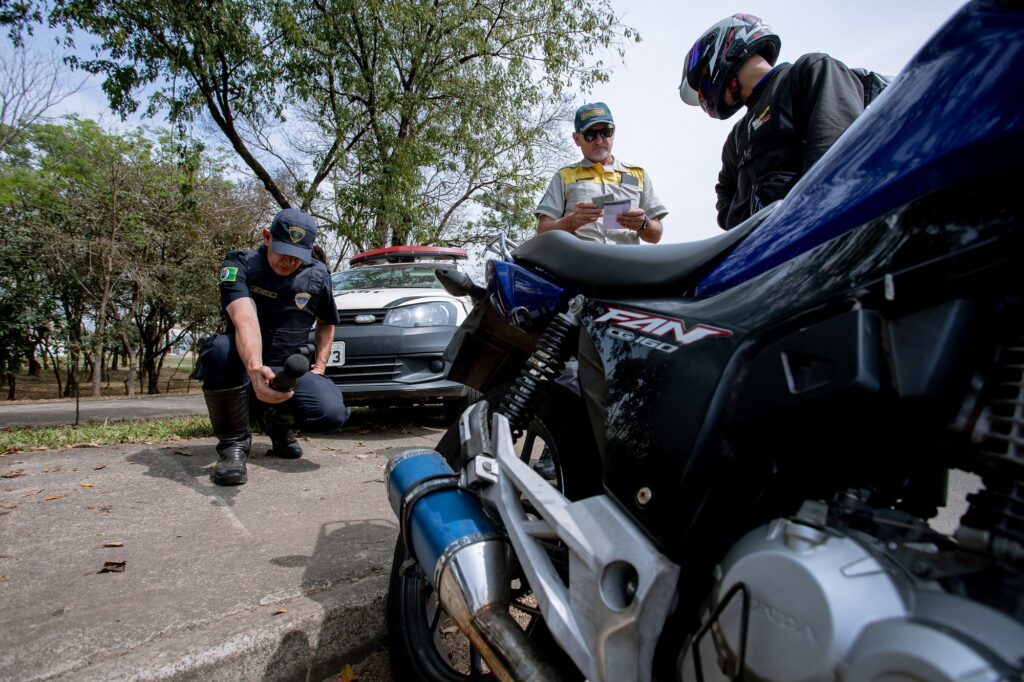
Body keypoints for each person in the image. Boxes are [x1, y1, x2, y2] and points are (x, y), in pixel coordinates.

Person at [197, 208, 350, 486]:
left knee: (332, 413)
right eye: (283, 250)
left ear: (312, 248)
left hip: (286, 366)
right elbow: (244, 316)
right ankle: (233, 446)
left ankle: (279, 426)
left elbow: (327, 322)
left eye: (298, 254)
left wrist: (319, 366)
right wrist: (255, 368)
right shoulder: (241, 263)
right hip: (242, 363)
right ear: (267, 237)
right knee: (219, 349)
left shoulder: (318, 274)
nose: (289, 260)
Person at [679, 14, 865, 230]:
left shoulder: (810, 71)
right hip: (759, 254)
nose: (704, 96)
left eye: (702, 81)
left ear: (726, 46)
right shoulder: (736, 139)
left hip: (817, 237)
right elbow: (724, 203)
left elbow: (837, 161)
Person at [536, 102, 668, 244]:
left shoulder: (639, 175)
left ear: (614, 132)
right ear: (576, 139)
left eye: (605, 132)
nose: (599, 140)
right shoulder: (564, 177)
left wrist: (644, 224)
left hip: (627, 264)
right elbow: (542, 231)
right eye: (590, 135)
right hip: (580, 263)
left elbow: (656, 236)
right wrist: (572, 221)